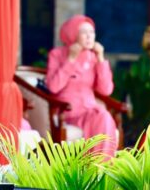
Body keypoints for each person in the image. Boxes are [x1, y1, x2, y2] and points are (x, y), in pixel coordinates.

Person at [47, 14, 117, 158]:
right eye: (84, 33)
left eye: (92, 32)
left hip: (90, 111)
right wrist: (71, 60)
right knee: (103, 118)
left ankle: (102, 168)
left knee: (104, 117)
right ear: (73, 35)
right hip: (68, 111)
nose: (89, 36)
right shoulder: (57, 54)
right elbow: (53, 87)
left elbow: (106, 90)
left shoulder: (92, 57)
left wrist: (101, 59)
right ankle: (96, 169)